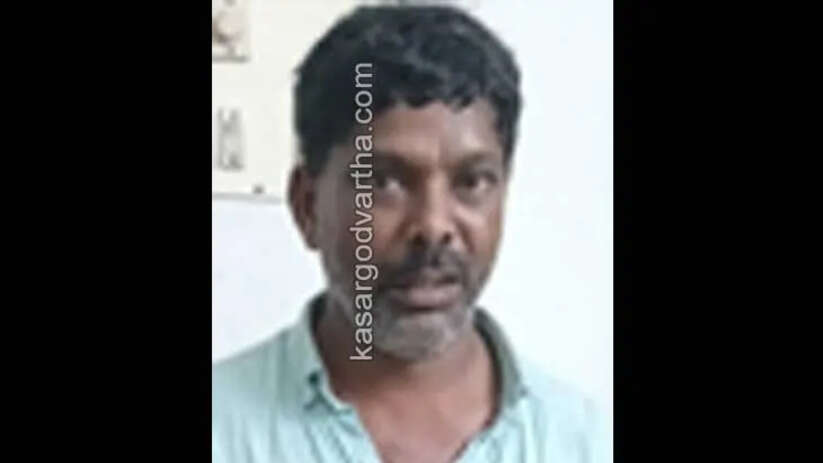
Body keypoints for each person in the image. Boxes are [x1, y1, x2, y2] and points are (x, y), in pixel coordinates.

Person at [213, 5, 609, 462]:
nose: (434, 226)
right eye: (383, 182)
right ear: (307, 207)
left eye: (472, 181)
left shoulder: (582, 443)